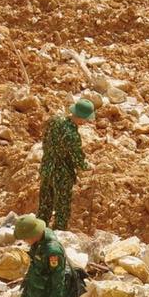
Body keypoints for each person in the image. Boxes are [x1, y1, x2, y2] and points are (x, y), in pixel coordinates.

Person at [37, 98, 94, 231]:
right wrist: (88, 166)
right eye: (86, 119)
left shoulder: (55, 120)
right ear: (81, 118)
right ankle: (58, 235)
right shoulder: (72, 134)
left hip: (46, 168)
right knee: (62, 209)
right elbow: (78, 160)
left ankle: (38, 234)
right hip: (61, 175)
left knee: (45, 205)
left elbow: (45, 141)